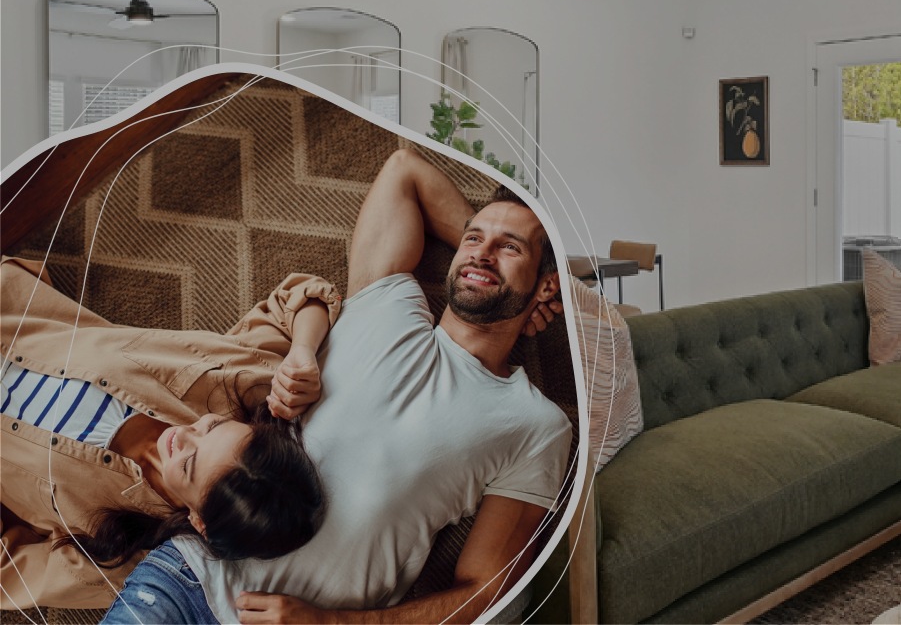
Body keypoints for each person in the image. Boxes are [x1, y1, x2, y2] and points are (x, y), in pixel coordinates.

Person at [125, 147, 574, 625]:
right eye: (472, 238)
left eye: (509, 247)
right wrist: (498, 257)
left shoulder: (537, 425)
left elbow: (488, 591)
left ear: (548, 287)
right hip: (188, 586)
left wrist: (328, 623)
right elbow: (404, 170)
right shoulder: (390, 298)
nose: (481, 252)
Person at [0, 258, 335, 612]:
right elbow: (300, 295)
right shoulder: (236, 383)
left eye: (190, 464)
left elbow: (10, 574)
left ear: (199, 522)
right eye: (213, 426)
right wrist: (302, 351)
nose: (186, 434)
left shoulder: (118, 559)